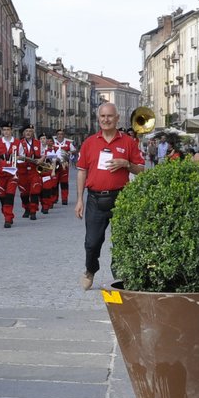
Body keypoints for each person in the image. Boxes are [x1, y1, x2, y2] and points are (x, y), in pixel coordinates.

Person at [74, 102, 145, 290]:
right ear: (99, 118)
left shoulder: (128, 142)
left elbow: (142, 170)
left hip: (121, 198)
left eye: (110, 116)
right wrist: (80, 199)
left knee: (121, 240)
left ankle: (119, 277)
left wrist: (126, 164)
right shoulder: (89, 142)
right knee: (92, 242)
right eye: (103, 116)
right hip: (95, 200)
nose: (106, 120)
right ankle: (90, 269)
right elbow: (81, 172)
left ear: (117, 118)